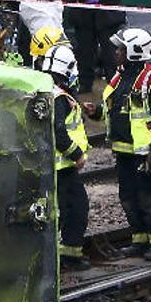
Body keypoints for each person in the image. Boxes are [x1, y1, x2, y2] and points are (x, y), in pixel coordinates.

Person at [83, 28, 151, 261]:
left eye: (121, 48)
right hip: (124, 151)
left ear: (133, 51)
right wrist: (97, 112)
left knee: (150, 197)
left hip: (145, 154)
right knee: (129, 197)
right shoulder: (119, 77)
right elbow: (116, 109)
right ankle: (140, 239)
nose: (116, 52)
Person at [41, 44, 92, 269]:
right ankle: (70, 256)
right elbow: (59, 131)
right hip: (63, 166)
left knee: (58, 210)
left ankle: (61, 254)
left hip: (48, 165)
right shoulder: (60, 97)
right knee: (75, 208)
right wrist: (77, 154)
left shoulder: (42, 90)